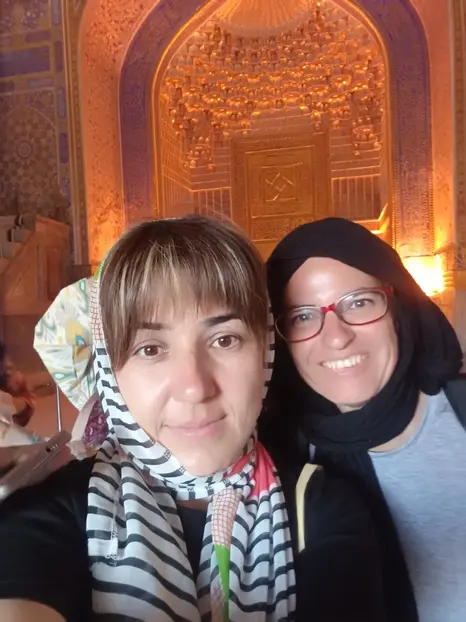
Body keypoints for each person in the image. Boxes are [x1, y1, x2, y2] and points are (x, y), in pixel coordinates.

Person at [0, 216, 385, 622]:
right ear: (111, 371)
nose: (195, 387)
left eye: (225, 339)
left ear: (265, 354)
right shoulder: (52, 509)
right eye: (150, 349)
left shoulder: (321, 509)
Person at [264, 216, 465, 622]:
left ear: (397, 309)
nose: (337, 337)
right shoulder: (284, 470)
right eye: (303, 316)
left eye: (358, 303)